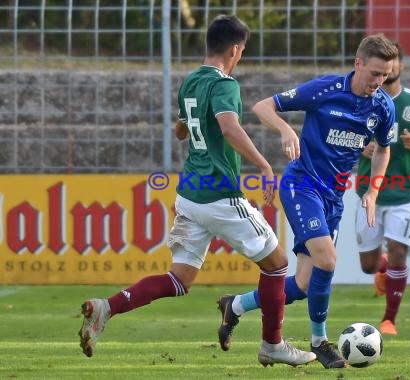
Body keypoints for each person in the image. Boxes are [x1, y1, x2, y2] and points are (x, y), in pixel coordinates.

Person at [77, 15, 316, 368]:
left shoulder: (191, 81)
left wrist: (195, 123)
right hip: (219, 195)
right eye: (242, 51)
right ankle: (273, 344)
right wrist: (265, 166)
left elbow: (179, 130)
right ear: (235, 49)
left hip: (190, 195)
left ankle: (107, 307)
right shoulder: (225, 84)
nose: (240, 57)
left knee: (179, 279)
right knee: (278, 264)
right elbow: (229, 127)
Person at [216, 33, 399, 369]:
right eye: (374, 73)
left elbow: (384, 148)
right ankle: (320, 342)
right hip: (302, 185)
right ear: (358, 63)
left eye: (385, 75)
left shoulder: (383, 107)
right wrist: (286, 130)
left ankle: (236, 305)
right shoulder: (326, 90)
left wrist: (372, 191)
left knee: (303, 284)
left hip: (334, 197)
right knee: (328, 261)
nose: (379, 81)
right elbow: (263, 106)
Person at [355, 42, 410, 336]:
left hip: (404, 192)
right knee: (367, 265)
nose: (387, 72)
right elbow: (343, 138)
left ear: (400, 67)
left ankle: (389, 319)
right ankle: (382, 270)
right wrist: (360, 146)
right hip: (369, 192)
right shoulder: (362, 100)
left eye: (393, 66)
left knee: (399, 251)